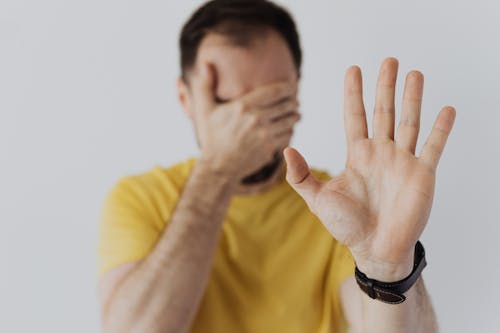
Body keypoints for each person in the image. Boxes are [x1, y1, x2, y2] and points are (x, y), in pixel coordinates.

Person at [97, 1, 455, 332]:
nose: (249, 124)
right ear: (185, 99)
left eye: (271, 101)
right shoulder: (141, 198)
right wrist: (217, 170)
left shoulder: (341, 205)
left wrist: (388, 267)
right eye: (225, 104)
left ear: (295, 92)